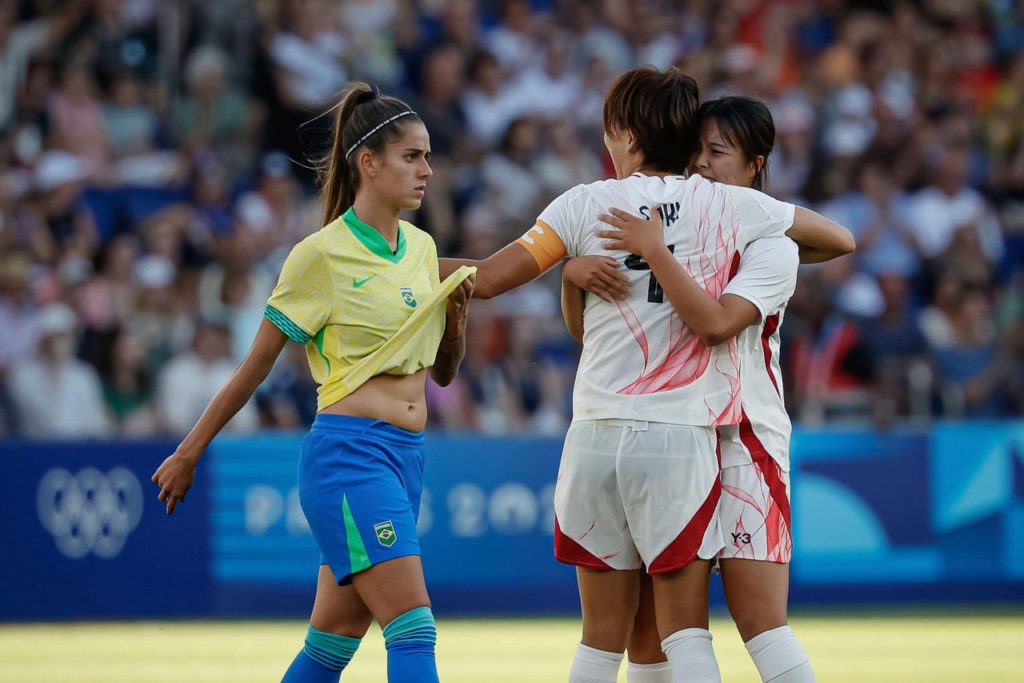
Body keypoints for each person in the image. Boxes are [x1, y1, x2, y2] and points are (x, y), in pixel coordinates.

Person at [440, 68, 853, 683]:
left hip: (595, 433)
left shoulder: (582, 203)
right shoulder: (733, 205)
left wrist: (389, 259)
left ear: (625, 133)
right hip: (679, 436)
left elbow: (489, 280)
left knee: (603, 642)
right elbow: (836, 239)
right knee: (684, 633)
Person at [151, 82, 476, 683]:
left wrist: (455, 326)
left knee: (332, 643)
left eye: (429, 156)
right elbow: (256, 364)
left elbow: (445, 374)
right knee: (412, 628)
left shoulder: (423, 250)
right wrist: (189, 450)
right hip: (352, 458)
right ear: (368, 162)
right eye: (413, 156)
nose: (428, 170)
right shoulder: (319, 255)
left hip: (406, 459)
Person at [563, 96, 818, 683]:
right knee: (652, 632)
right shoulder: (685, 235)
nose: (700, 165)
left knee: (760, 621)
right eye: (694, 151)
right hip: (681, 431)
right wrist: (573, 272)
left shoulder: (771, 244)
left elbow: (717, 322)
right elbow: (595, 331)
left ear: (756, 166)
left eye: (717, 153)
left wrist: (649, 250)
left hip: (746, 436)